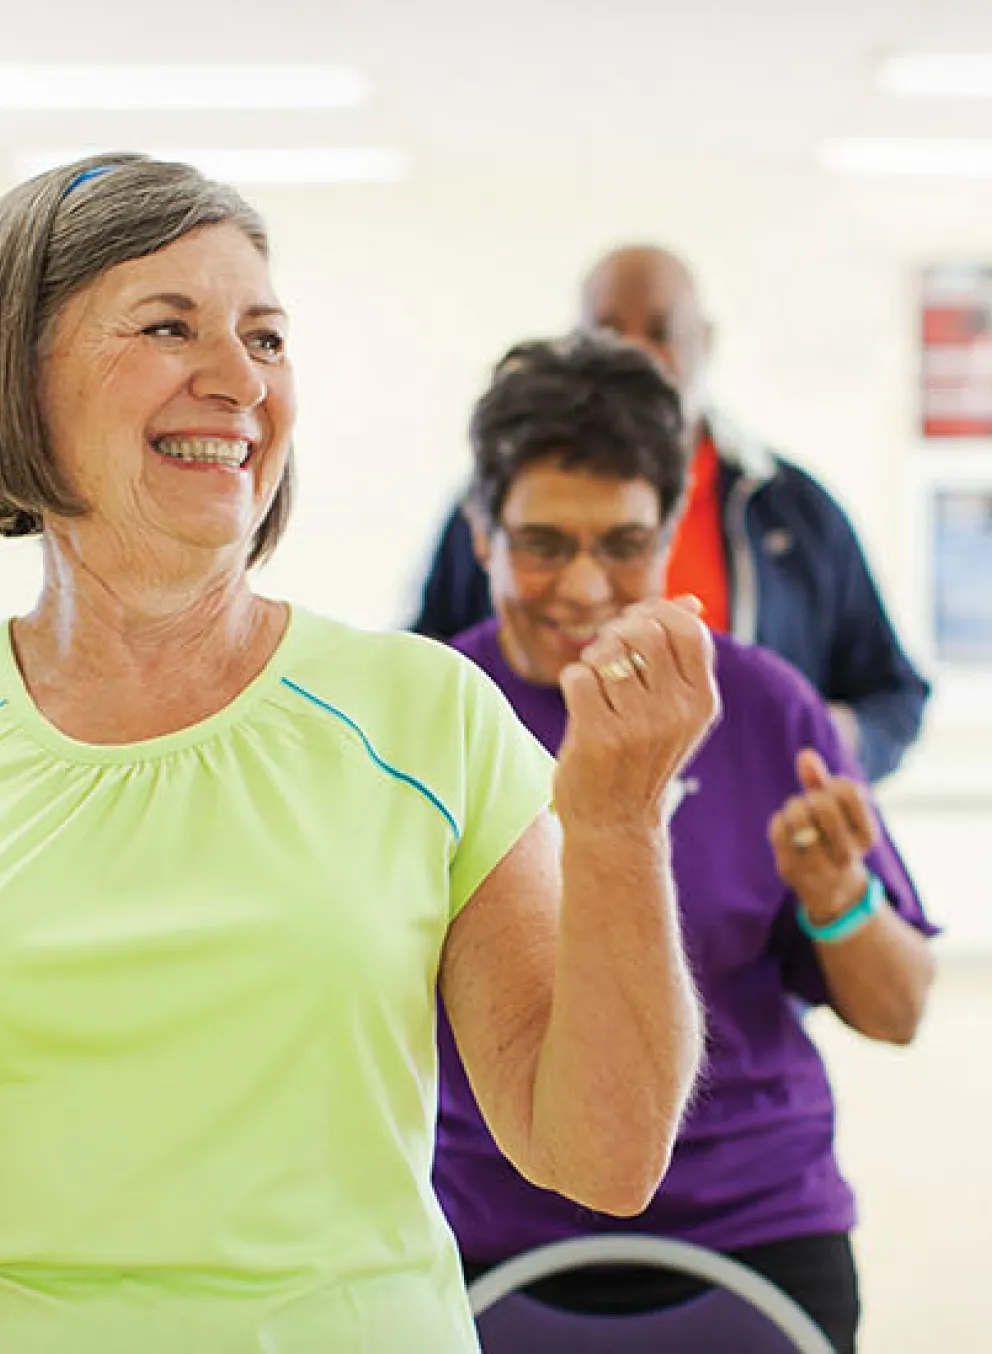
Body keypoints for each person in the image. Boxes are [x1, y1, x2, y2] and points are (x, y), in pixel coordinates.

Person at [0, 155, 717, 1354]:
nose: (237, 382)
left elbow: (598, 1154)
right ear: (20, 378)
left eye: (267, 340)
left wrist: (617, 823)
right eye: (169, 326)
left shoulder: (420, 711)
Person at [432, 331, 938, 1354]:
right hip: (485, 1232)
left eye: (621, 544)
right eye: (541, 542)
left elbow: (897, 1008)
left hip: (753, 1230)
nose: (581, 588)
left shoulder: (758, 704)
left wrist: (837, 894)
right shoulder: (431, 714)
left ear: (670, 533)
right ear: (481, 534)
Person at [411, 244, 931, 783]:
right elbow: (425, 663)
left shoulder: (794, 512)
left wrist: (824, 745)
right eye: (544, 543)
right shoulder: (495, 502)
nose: (584, 587)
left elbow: (890, 690)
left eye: (661, 332)